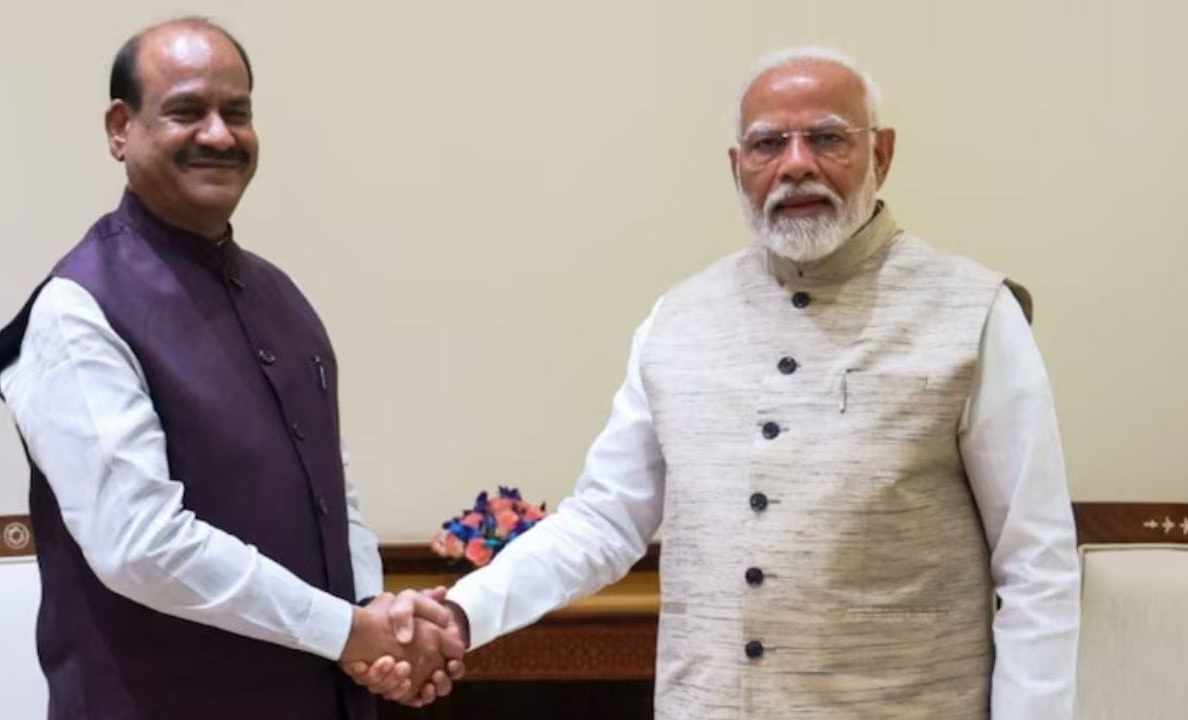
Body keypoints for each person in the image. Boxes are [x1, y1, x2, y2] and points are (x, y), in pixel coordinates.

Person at [432, 46, 1081, 718]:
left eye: (827, 138)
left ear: (882, 154)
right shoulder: (676, 320)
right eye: (769, 143)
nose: (796, 163)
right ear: (737, 166)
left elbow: (1036, 566)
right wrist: (461, 612)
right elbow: (604, 519)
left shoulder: (976, 314)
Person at [0, 17, 461, 719]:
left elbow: (334, 491)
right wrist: (349, 632)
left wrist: (371, 613)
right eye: (186, 111)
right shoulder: (78, 309)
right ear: (120, 128)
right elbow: (141, 544)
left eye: (237, 113)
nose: (219, 135)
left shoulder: (281, 297)